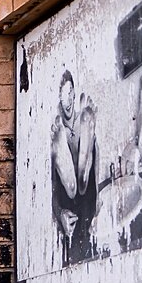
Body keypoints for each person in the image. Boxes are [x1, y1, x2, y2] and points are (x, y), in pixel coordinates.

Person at [50, 69, 100, 264]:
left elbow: (97, 162)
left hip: (88, 199)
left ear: (74, 92)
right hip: (69, 208)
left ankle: (81, 172)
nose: (68, 98)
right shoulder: (55, 132)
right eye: (64, 94)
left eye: (71, 92)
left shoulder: (83, 120)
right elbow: (52, 188)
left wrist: (98, 206)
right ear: (59, 98)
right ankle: (72, 174)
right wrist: (60, 212)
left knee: (85, 178)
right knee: (77, 257)